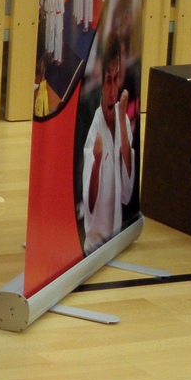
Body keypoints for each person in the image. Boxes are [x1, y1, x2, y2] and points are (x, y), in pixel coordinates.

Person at [81, 35, 136, 253]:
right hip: (94, 247)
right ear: (101, 81)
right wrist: (96, 162)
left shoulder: (123, 119)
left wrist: (122, 123)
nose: (113, 90)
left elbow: (127, 192)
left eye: (116, 78)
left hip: (117, 240)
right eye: (108, 80)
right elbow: (89, 205)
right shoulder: (94, 129)